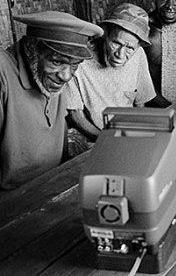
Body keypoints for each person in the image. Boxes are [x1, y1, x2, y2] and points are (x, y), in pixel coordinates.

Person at [0, 11, 103, 189]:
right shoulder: (3, 73)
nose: (66, 76)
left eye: (75, 64)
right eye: (56, 62)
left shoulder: (52, 78)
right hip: (13, 199)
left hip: (54, 182)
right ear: (32, 48)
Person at [65, 3, 156, 142]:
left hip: (129, 134)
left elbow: (140, 103)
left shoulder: (139, 54)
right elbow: (76, 115)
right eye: (116, 43)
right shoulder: (78, 61)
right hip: (93, 138)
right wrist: (107, 140)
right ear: (105, 33)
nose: (120, 54)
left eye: (130, 48)